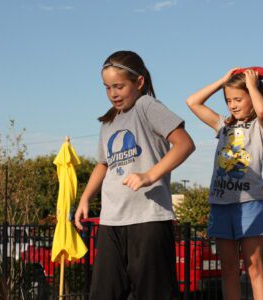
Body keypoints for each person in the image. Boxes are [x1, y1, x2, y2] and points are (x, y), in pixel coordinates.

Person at [74, 50, 195, 300]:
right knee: (103, 293)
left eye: (118, 86)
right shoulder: (108, 122)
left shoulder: (146, 106)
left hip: (148, 219)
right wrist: (85, 198)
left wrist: (149, 175)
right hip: (112, 221)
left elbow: (184, 144)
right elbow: (102, 164)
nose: (113, 94)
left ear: (139, 82)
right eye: (107, 88)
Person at [186, 67, 263, 300]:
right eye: (228, 100)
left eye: (238, 99)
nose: (232, 105)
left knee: (254, 268)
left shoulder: (261, 128)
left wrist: (252, 86)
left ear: (253, 98)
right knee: (229, 271)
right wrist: (223, 80)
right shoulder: (223, 126)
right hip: (220, 204)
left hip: (249, 204)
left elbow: (262, 110)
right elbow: (192, 102)